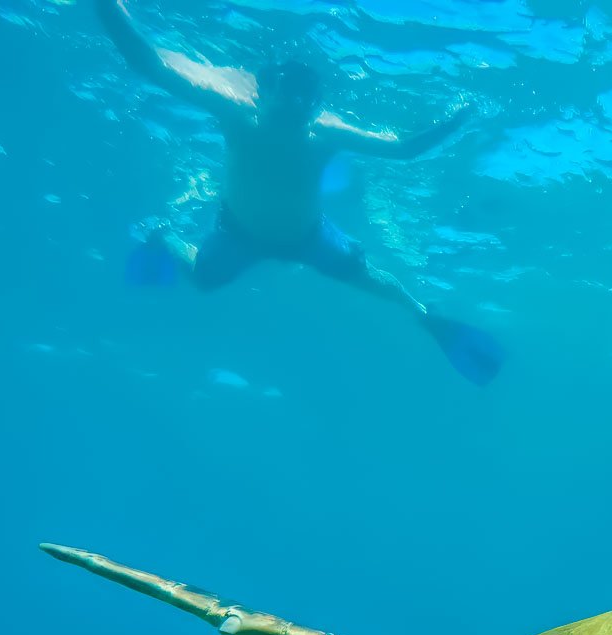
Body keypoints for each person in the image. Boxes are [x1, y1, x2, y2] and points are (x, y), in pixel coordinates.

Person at [97, 0, 502, 386]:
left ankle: (424, 314)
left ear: (315, 103)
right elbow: (147, 62)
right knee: (204, 278)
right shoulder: (235, 113)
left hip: (309, 237)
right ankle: (164, 234)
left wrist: (462, 115)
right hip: (242, 234)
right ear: (262, 91)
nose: (297, 103)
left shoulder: (324, 132)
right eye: (289, 91)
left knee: (364, 275)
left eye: (306, 96)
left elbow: (404, 149)